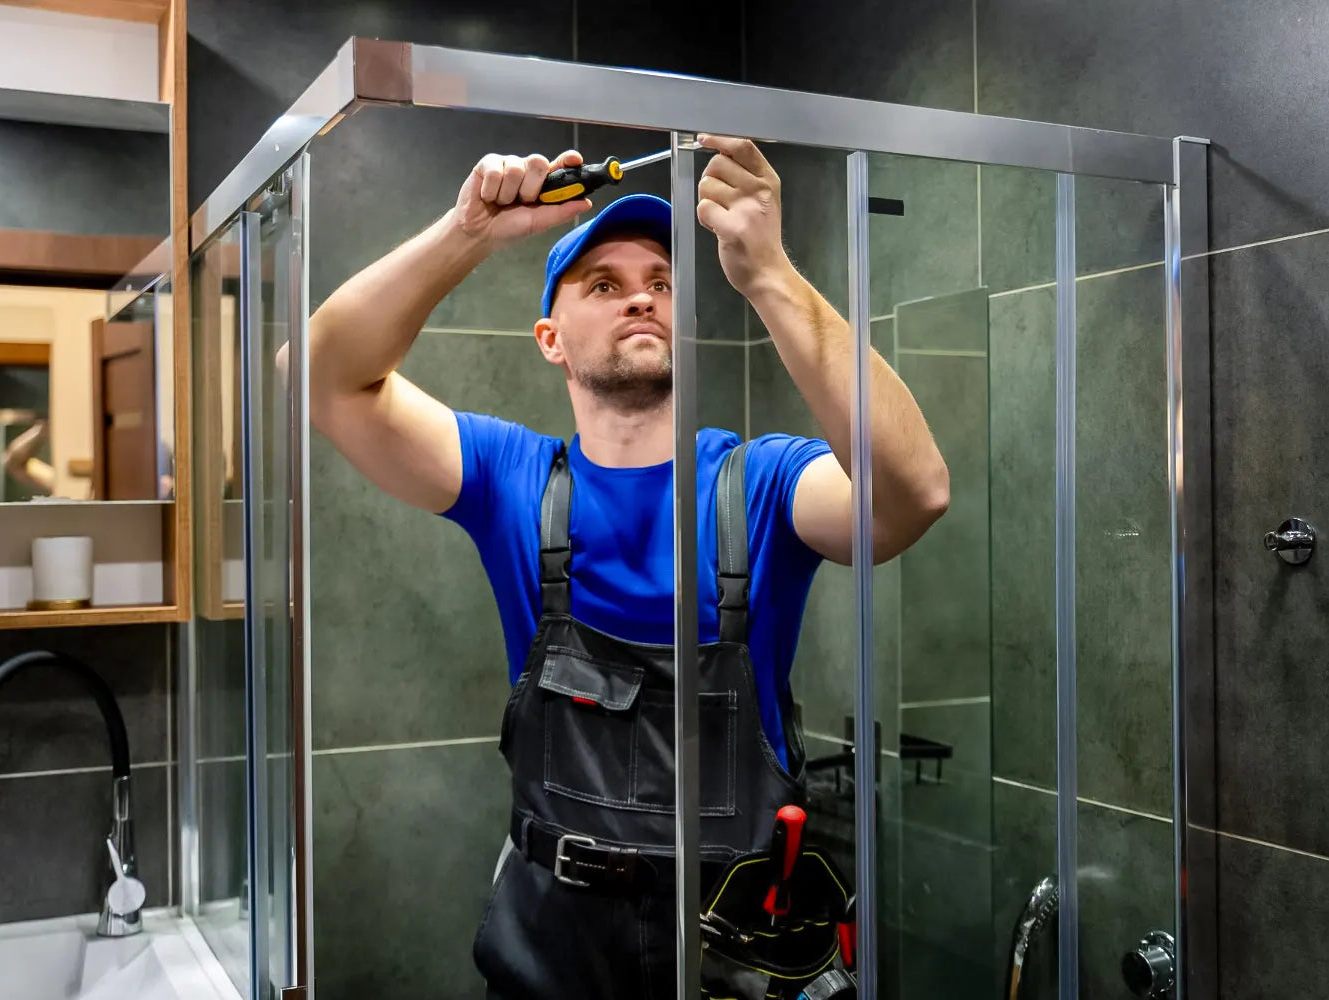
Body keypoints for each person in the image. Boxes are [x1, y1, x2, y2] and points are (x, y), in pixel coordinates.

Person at [305, 135, 950, 998]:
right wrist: (468, 232)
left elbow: (912, 493)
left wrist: (767, 272)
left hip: (735, 955)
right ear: (550, 339)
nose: (640, 298)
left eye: (661, 284)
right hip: (551, 954)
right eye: (603, 285)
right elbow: (320, 375)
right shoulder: (513, 479)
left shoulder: (759, 485)